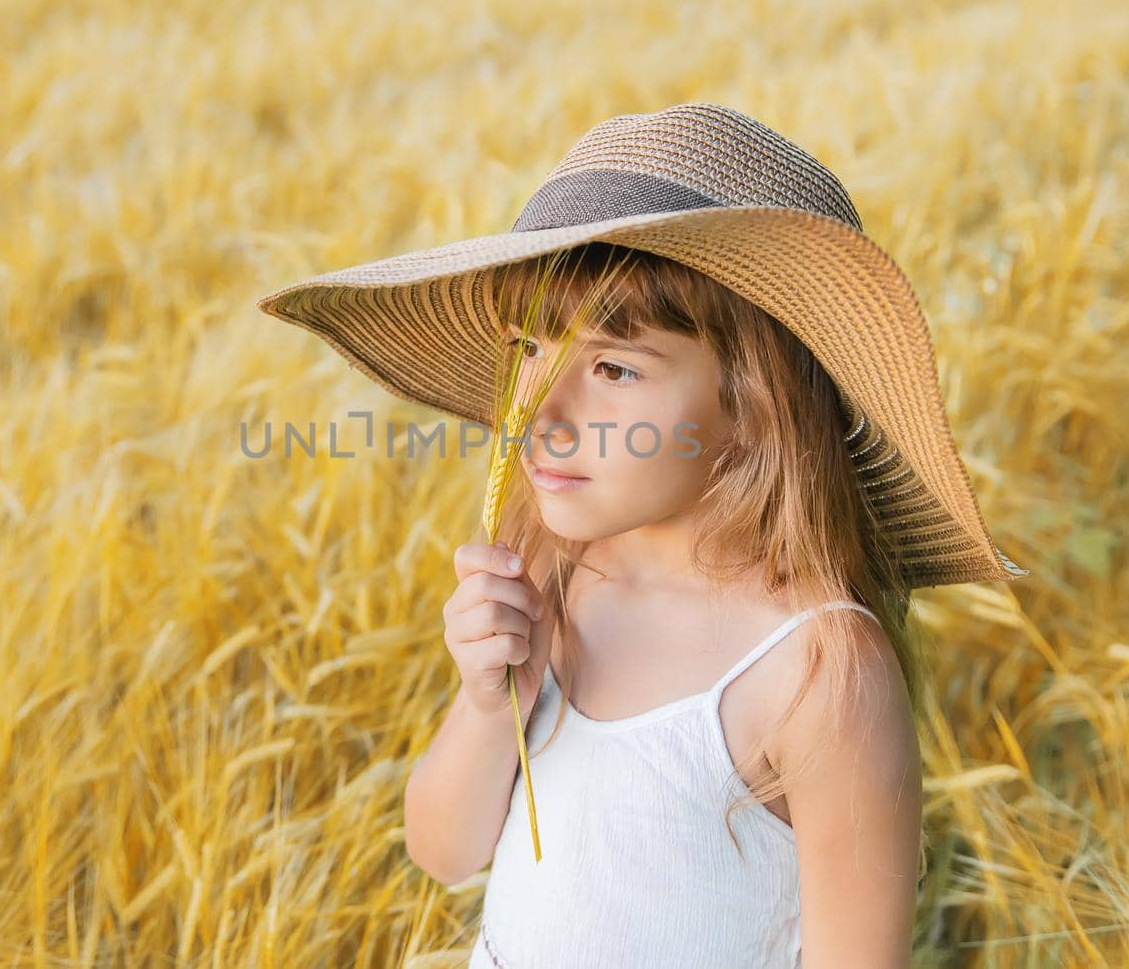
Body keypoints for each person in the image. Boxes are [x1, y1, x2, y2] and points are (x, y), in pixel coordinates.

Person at [257, 103, 1029, 967]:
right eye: (530, 351)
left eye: (615, 368)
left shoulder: (816, 672)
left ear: (753, 408)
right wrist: (487, 701)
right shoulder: (555, 572)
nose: (541, 413)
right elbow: (445, 851)